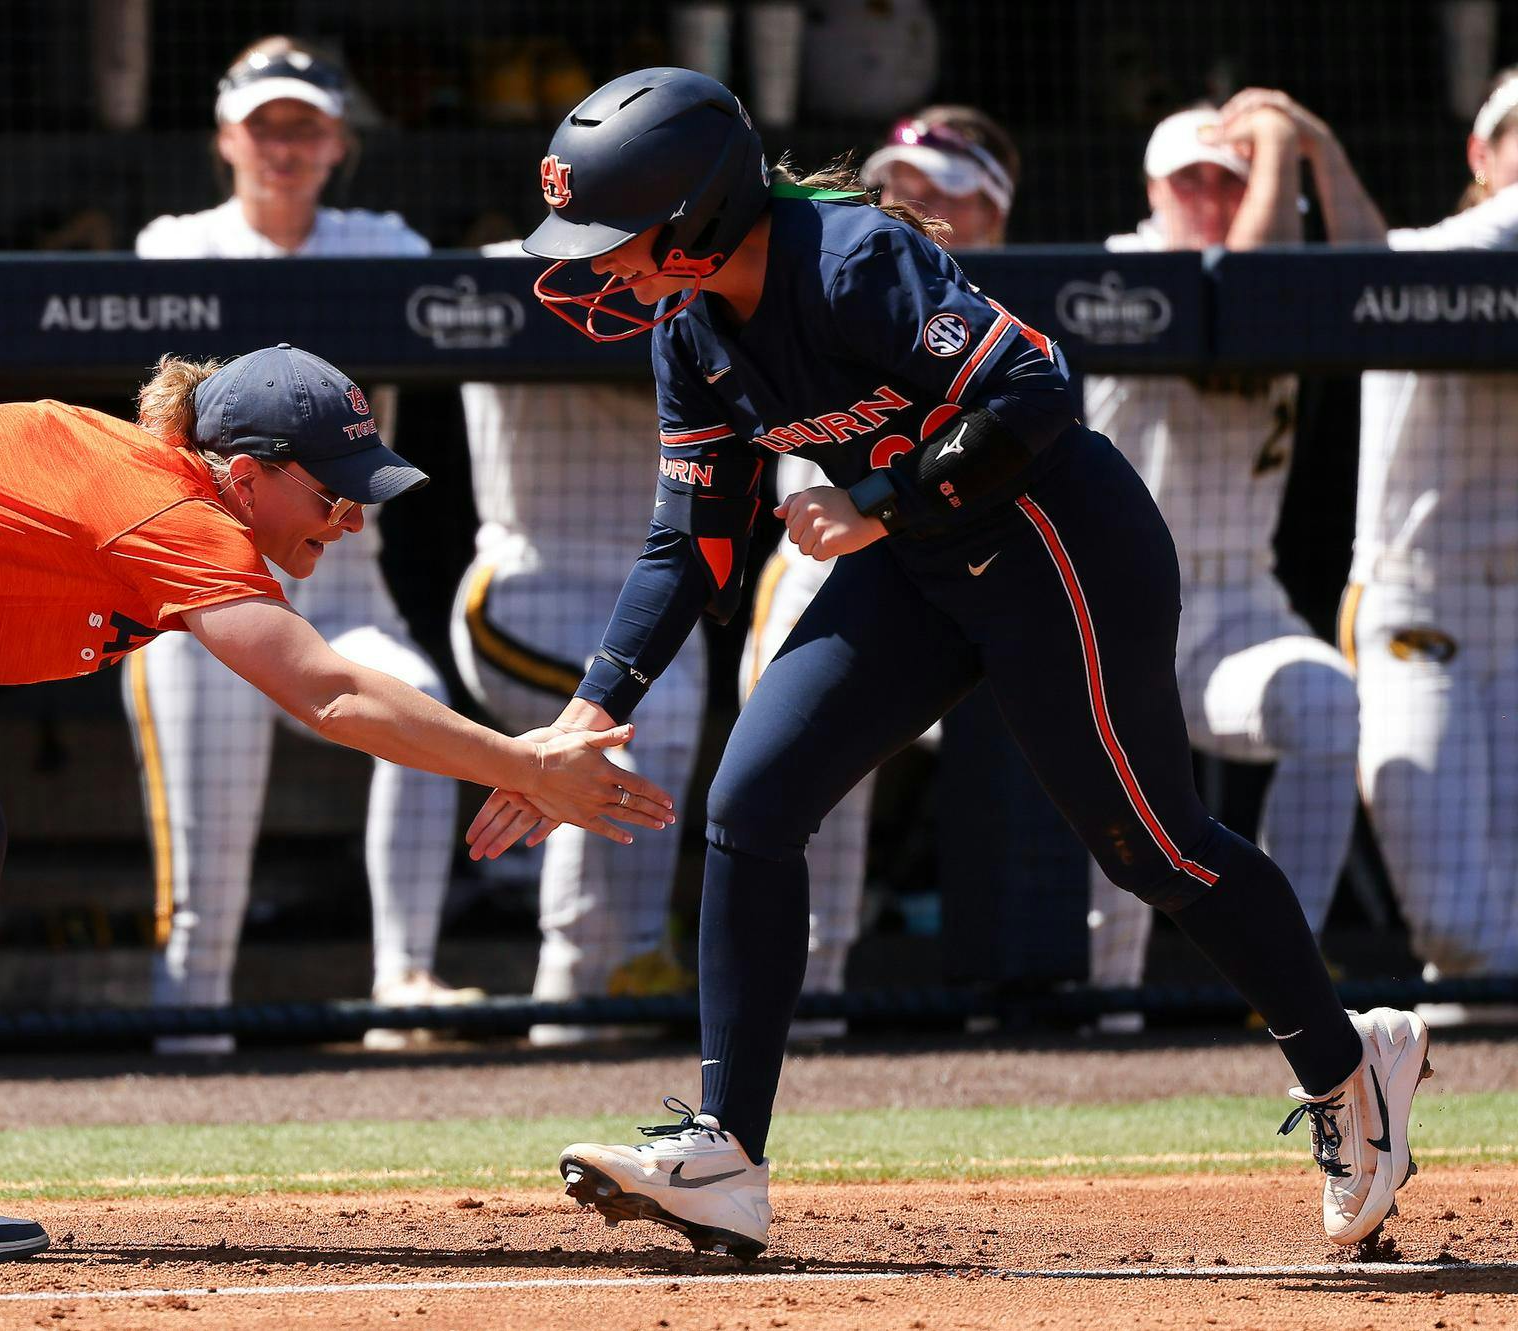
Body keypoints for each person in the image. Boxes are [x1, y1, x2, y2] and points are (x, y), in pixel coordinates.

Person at [471, 67, 1429, 1260]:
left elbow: (1034, 394)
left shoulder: (849, 258)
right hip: (920, 564)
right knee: (749, 804)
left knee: (1152, 846)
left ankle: (1350, 1070)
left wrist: (879, 496)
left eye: (616, 234)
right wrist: (590, 708)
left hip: (1054, 544)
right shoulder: (691, 331)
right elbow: (691, 540)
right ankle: (723, 1152)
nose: (596, 263)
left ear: (701, 210)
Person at [0, 345, 674, 1261]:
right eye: (333, 493)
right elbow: (331, 689)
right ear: (249, 475)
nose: (353, 518)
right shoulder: (175, 510)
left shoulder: (139, 481)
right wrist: (524, 764)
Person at [130, 37, 474, 1051]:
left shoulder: (387, 241)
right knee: (205, 868)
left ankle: (403, 980)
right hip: (203, 593)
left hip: (344, 582)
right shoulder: (171, 242)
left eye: (306, 126)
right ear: (225, 136)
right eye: (265, 124)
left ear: (339, 141)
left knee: (425, 711)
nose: (283, 145)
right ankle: (186, 1040)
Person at [1083, 100, 1368, 1016]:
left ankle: (1287, 975)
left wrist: (1307, 146)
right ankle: (1102, 1016)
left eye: (1229, 178)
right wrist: (1280, 140)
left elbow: (1368, 268)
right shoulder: (1125, 268)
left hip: (1241, 599)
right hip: (1115, 598)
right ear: (1151, 189)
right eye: (1188, 178)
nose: (1207, 194)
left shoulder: (1285, 269)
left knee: (1326, 701)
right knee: (1115, 808)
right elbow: (1240, 287)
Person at [740, 106, 1019, 1039]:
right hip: (828, 561)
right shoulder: (833, 268)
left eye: (948, 187)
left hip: (983, 555)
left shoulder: (1001, 305)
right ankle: (805, 999)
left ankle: (1055, 1001)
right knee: (807, 772)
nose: (916, 199)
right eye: (902, 178)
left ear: (997, 206)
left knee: (1054, 761)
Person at [1267, 70, 1518, 1025]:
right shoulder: (1423, 259)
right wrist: (1322, 149)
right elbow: (1367, 264)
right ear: (1481, 156)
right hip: (1426, 606)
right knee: (1459, 927)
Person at [450, 250, 704, 1046]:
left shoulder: (698, 284)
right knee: (614, 737)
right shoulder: (502, 275)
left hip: (651, 594)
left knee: (654, 734)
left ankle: (626, 965)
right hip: (528, 585)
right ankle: (569, 991)